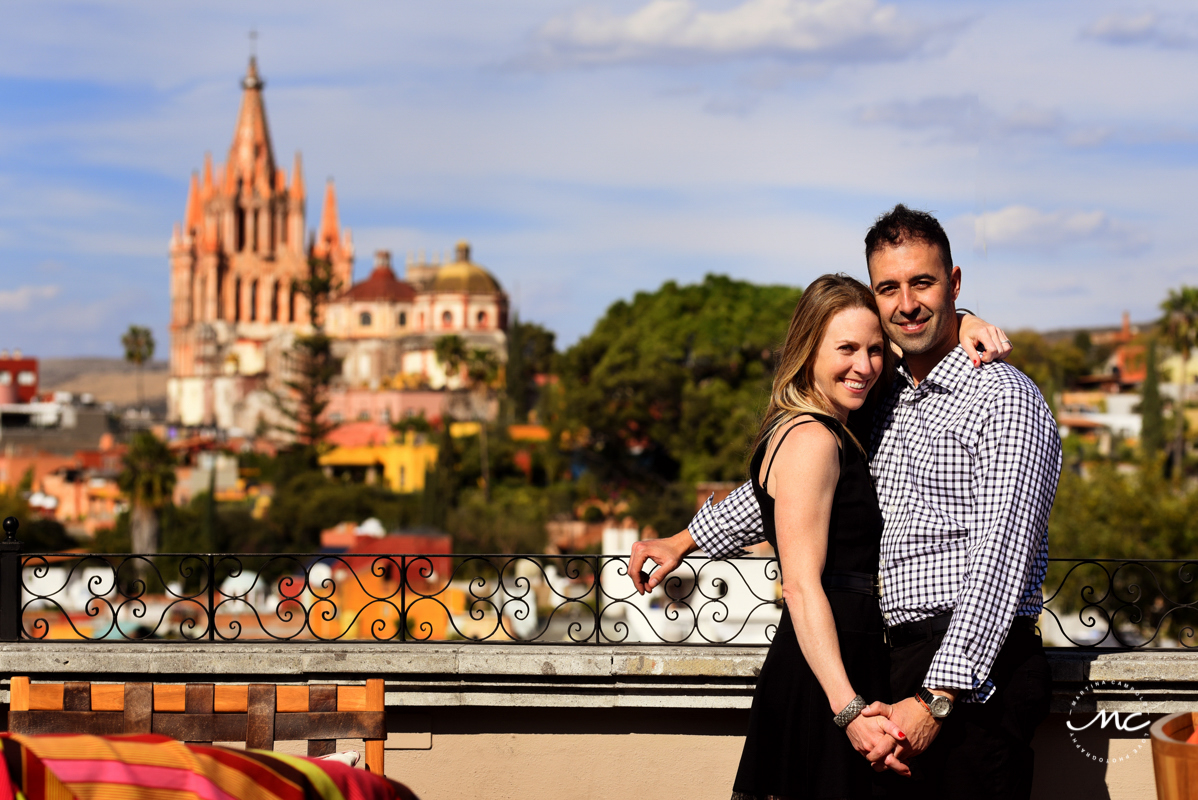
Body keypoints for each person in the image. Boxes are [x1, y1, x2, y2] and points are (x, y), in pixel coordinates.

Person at [631, 205, 1061, 799]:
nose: (907, 302)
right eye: (890, 287)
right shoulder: (880, 396)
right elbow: (804, 496)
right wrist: (686, 539)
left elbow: (1001, 559)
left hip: (975, 676)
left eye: (924, 283)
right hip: (893, 666)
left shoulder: (1004, 398)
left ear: (955, 284)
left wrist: (938, 697)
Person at [729, 273, 905, 800]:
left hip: (836, 663)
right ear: (808, 351)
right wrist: (848, 710)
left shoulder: (815, 426)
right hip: (827, 676)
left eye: (875, 349)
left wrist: (965, 324)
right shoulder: (813, 439)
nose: (865, 366)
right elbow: (802, 586)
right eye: (846, 348)